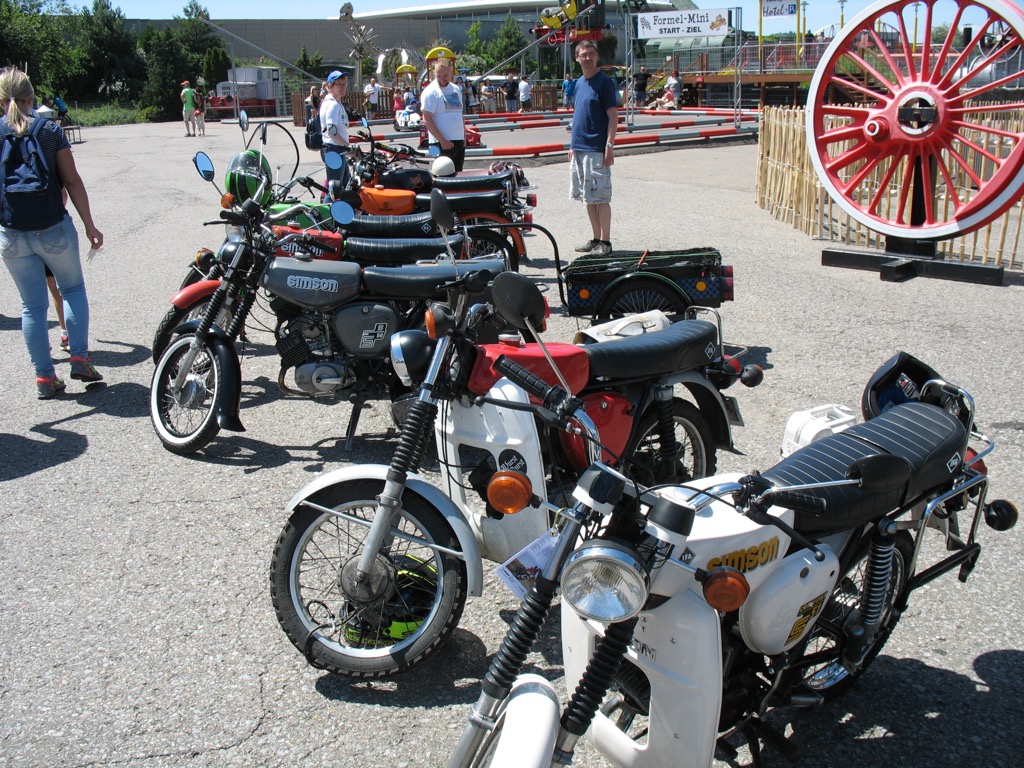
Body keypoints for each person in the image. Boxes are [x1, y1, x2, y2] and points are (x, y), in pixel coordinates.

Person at [1, 67, 104, 398]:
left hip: (12, 232)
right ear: (31, 98)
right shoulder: (50, 131)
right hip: (52, 227)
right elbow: (72, 181)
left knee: (31, 306)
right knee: (72, 288)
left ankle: (45, 378)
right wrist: (89, 225)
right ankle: (80, 359)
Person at [569, 40, 617, 258]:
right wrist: (572, 145)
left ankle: (605, 242)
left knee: (602, 198)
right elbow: (578, 115)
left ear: (597, 56)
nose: (587, 58)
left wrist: (609, 145)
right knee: (588, 198)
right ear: (577, 58)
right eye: (583, 54)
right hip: (579, 148)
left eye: (591, 53)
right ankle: (596, 238)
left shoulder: (604, 83)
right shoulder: (579, 82)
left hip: (597, 148)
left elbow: (613, 116)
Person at [420, 58, 466, 172]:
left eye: (445, 75)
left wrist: (463, 136)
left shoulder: (456, 89)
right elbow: (426, 118)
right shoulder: (431, 91)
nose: (442, 79)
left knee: (458, 175)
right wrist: (442, 140)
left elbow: (459, 114)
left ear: (451, 73)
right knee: (444, 176)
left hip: (458, 141)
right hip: (439, 143)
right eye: (438, 76)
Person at [320, 70, 352, 195]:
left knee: (344, 183)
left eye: (345, 84)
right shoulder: (332, 105)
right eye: (339, 84)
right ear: (330, 87)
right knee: (335, 189)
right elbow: (332, 130)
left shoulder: (336, 103)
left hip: (336, 149)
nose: (343, 87)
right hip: (334, 149)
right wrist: (347, 146)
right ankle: (327, 212)